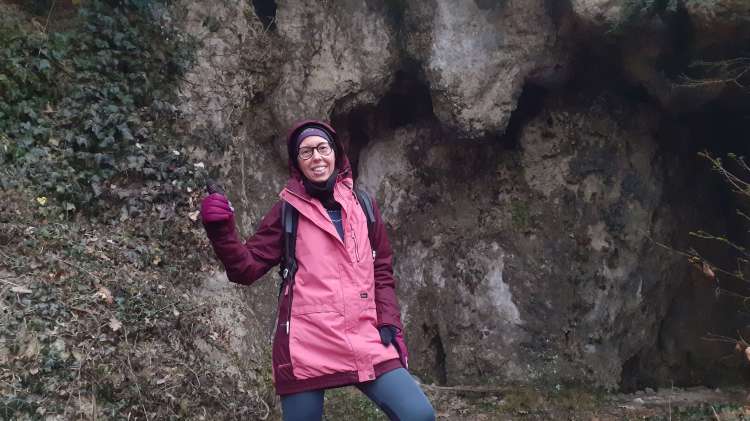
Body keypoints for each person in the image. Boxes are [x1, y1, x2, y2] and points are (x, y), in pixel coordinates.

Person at [200, 120, 436, 421]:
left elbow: (381, 270)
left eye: (323, 148)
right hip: (306, 345)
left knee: (419, 415)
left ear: (336, 153)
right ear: (297, 163)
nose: (317, 157)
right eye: (306, 152)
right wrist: (221, 230)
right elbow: (245, 269)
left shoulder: (364, 205)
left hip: (365, 337)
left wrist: (389, 321)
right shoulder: (287, 211)